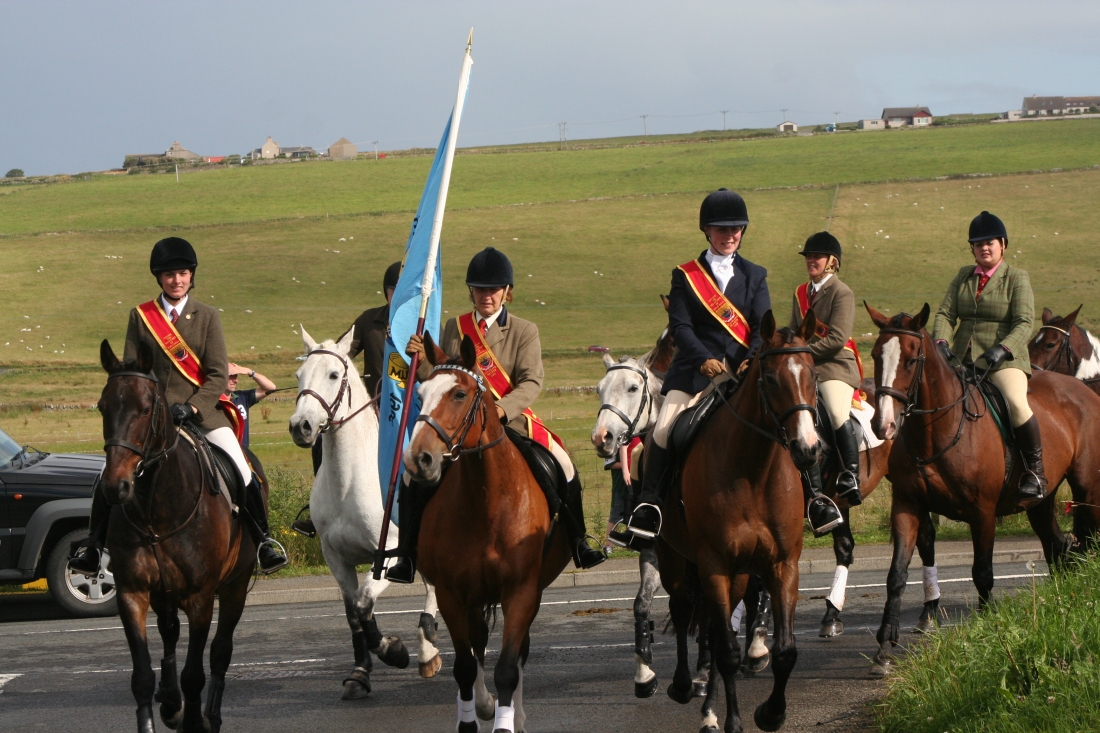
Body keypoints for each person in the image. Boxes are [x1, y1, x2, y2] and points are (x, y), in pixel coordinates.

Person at [620, 188, 842, 544]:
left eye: (735, 229)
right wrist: (702, 359)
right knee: (663, 431)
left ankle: (816, 499)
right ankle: (649, 506)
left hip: (743, 372)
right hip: (694, 373)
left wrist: (748, 359)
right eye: (722, 229)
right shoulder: (685, 276)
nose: (729, 235)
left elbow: (761, 326)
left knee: (791, 420)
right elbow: (681, 327)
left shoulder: (755, 274)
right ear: (707, 231)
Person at [385, 247, 606, 583]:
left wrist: (503, 408)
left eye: (493, 289)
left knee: (563, 463)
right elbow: (444, 377)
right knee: (411, 474)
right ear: (471, 291)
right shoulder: (456, 326)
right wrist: (424, 361)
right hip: (461, 426)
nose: (486, 296)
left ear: (506, 291)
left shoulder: (524, 330)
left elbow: (531, 381)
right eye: (479, 289)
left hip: (511, 421)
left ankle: (579, 541)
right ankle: (406, 555)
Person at [69, 237, 288, 575]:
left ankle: (263, 541)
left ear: (191, 276)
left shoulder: (207, 316)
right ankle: (94, 546)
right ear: (159, 277)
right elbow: (132, 371)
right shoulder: (142, 316)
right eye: (170, 274)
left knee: (242, 468)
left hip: (202, 415)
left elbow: (217, 375)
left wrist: (193, 407)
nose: (177, 280)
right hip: (152, 419)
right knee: (107, 473)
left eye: (183, 273)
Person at [933, 211, 1045, 507]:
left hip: (1003, 361)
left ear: (1002, 245)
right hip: (961, 358)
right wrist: (941, 342)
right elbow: (945, 313)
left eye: (990, 242)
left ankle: (1035, 472)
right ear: (972, 248)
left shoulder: (1017, 278)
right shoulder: (963, 276)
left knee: (1016, 404)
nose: (984, 247)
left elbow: (1024, 322)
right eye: (978, 243)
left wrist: (1003, 349)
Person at [294, 261, 401, 538]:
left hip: (409, 408)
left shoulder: (423, 325)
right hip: (370, 407)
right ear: (386, 292)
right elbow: (339, 354)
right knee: (323, 438)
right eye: (394, 290)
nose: (398, 295)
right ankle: (320, 510)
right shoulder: (368, 321)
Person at [790, 232, 864, 523]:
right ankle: (813, 491)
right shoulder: (800, 292)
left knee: (834, 410)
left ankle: (850, 474)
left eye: (817, 256)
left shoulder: (841, 293)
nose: (811, 260)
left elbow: (836, 339)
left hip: (835, 366)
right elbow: (794, 331)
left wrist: (803, 353)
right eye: (809, 256)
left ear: (832, 261)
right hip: (806, 367)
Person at [226, 362, 277, 450]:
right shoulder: (211, 401)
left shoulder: (242, 397)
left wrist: (250, 372)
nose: (236, 380)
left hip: (243, 453)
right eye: (231, 376)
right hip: (221, 455)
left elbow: (271, 388)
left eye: (236, 376)